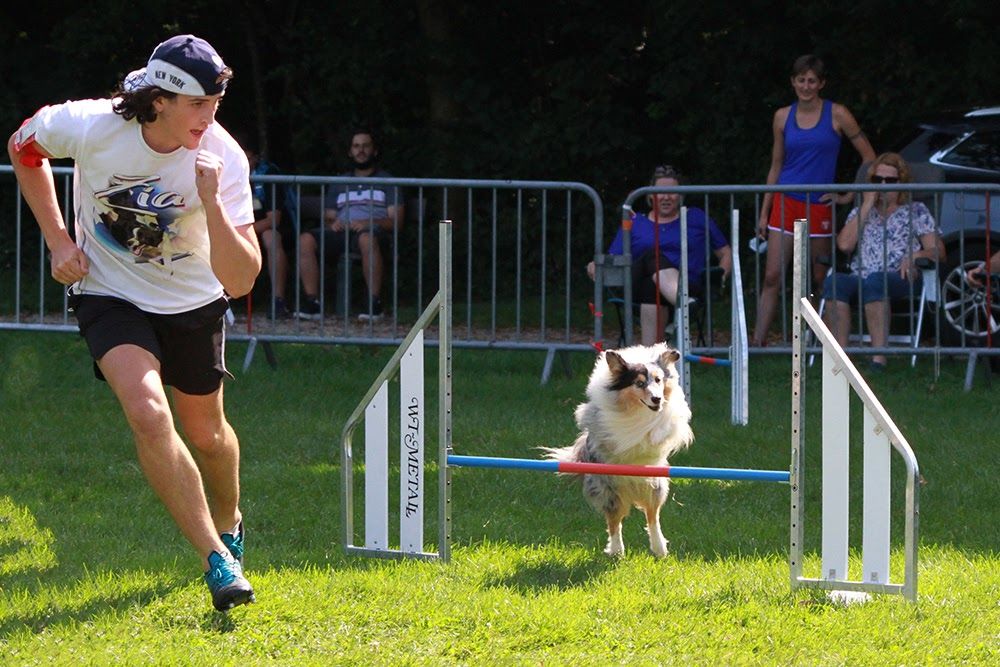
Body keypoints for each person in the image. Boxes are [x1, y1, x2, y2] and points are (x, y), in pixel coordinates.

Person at [7, 35, 259, 612]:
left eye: (216, 103)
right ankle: (216, 558)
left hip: (193, 303)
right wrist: (57, 238)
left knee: (208, 436)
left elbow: (242, 280)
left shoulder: (224, 155)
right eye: (199, 104)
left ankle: (230, 522)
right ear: (160, 98)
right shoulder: (91, 125)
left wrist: (212, 203)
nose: (210, 117)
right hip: (108, 294)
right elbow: (24, 146)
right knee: (147, 413)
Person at [752, 54, 876, 347]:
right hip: (785, 200)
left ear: (821, 84)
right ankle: (757, 345)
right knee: (772, 275)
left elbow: (870, 157)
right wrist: (764, 211)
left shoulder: (838, 114)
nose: (806, 86)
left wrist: (847, 195)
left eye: (812, 80)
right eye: (801, 80)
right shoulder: (782, 116)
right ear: (793, 82)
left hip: (819, 203)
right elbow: (776, 163)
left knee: (820, 276)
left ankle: (826, 343)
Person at [821, 153, 943, 369]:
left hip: (902, 276)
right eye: (878, 180)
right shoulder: (861, 211)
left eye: (890, 181)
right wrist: (867, 205)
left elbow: (938, 251)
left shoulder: (917, 211)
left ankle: (879, 359)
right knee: (835, 282)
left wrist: (917, 255)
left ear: (901, 184)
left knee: (877, 281)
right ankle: (840, 359)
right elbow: (845, 246)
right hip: (861, 275)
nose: (883, 185)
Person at [588, 165, 733, 346]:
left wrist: (720, 278)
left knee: (652, 285)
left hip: (690, 284)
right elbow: (613, 257)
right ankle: (683, 303)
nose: (666, 197)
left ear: (680, 196)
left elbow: (726, 252)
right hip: (638, 288)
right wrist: (595, 264)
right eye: (660, 192)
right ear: (650, 196)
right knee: (651, 257)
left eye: (672, 192)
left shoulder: (695, 217)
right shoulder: (635, 222)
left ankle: (652, 359)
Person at [295, 128, 404, 321]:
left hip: (372, 233)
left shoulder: (387, 181)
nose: (360, 150)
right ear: (350, 152)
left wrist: (368, 222)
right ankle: (313, 303)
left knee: (366, 238)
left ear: (374, 151)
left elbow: (396, 220)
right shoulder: (340, 182)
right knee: (305, 240)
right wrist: (333, 223)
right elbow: (329, 216)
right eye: (356, 146)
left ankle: (374, 304)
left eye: (365, 146)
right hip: (341, 232)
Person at [244, 138, 294, 318]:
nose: (243, 163)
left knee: (270, 236)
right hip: (238, 229)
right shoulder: (225, 172)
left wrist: (238, 232)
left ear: (256, 158)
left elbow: (274, 220)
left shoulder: (268, 174)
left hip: (267, 229)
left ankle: (278, 301)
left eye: (247, 159)